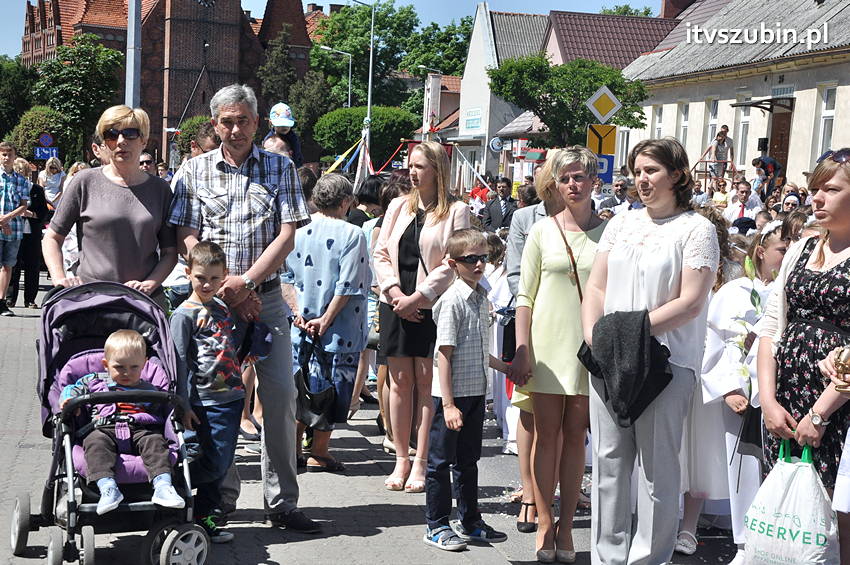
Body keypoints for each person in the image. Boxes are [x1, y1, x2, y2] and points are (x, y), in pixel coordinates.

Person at [168, 84, 317, 533]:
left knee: (279, 397)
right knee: (216, 400)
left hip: (265, 298)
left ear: (257, 123)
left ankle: (282, 502)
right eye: (226, 121)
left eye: (243, 121)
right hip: (212, 305)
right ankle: (221, 497)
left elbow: (287, 233)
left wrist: (246, 281)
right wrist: (217, 284)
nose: (235, 129)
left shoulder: (280, 167)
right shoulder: (193, 170)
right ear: (214, 124)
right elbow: (186, 235)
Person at [582, 137, 719, 564]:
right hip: (610, 357)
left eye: (651, 171)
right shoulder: (622, 223)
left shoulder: (696, 229)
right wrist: (595, 336)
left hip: (666, 362)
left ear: (676, 175)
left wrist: (631, 333)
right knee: (608, 465)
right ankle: (607, 557)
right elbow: (597, 286)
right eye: (637, 171)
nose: (641, 179)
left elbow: (691, 301)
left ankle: (648, 559)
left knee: (658, 471)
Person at [511, 146, 606, 563]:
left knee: (575, 438)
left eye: (580, 177)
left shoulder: (612, 232)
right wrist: (522, 350)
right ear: (555, 184)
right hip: (546, 346)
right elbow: (524, 295)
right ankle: (545, 519)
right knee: (545, 436)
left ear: (594, 181)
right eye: (565, 178)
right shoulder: (541, 231)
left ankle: (567, 525)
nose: (573, 184)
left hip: (589, 349)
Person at [758, 148, 850, 563]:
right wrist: (769, 401)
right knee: (784, 517)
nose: (816, 199)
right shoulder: (801, 248)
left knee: (834, 519)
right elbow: (771, 328)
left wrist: (821, 413)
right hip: (787, 402)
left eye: (831, 189)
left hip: (837, 408)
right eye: (815, 189)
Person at [683, 220, 785, 564]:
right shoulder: (735, 291)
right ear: (761, 252)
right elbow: (716, 342)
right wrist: (727, 386)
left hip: (781, 388)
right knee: (743, 465)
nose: (788, 257)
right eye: (782, 250)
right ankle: (744, 542)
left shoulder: (789, 291)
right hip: (741, 388)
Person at [373, 140, 471, 493]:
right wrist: (395, 293)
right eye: (410, 166)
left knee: (428, 384)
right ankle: (400, 457)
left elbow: (452, 261)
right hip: (396, 304)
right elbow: (381, 252)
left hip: (432, 307)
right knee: (399, 382)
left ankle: (422, 460)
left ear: (437, 171)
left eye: (419, 167)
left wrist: (419, 297)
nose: (412, 173)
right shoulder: (399, 206)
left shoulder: (456, 211)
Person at [423, 228, 510, 551]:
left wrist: (505, 367)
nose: (478, 265)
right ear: (453, 263)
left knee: (468, 461)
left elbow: (476, 348)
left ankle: (470, 520)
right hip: (452, 396)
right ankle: (436, 524)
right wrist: (447, 404)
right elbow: (444, 354)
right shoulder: (453, 300)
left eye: (483, 258)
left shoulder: (480, 296)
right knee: (440, 462)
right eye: (470, 259)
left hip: (474, 393)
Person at [42, 106, 178, 310]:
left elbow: (170, 252)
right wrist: (60, 278)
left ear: (144, 140)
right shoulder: (85, 181)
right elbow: (52, 237)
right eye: (111, 135)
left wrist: (151, 283)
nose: (121, 141)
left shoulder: (161, 189)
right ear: (104, 143)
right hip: (90, 301)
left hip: (141, 304)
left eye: (130, 133)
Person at [285, 173, 371, 472]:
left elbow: (285, 277)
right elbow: (348, 285)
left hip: (299, 326)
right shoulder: (352, 234)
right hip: (338, 330)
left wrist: (298, 312)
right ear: (346, 201)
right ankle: (319, 451)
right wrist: (325, 318)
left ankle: (294, 449)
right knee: (331, 389)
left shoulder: (296, 230)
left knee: (300, 385)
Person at [59, 330, 185, 515]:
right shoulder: (94, 382)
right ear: (106, 365)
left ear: (144, 365)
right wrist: (69, 400)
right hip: (103, 428)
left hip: (141, 429)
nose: (127, 372)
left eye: (134, 367)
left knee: (156, 443)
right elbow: (72, 388)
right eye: (119, 367)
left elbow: (163, 410)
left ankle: (163, 486)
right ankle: (108, 488)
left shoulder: (151, 388)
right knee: (95, 444)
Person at [169, 241, 243, 542]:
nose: (208, 284)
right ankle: (175, 496)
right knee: (211, 461)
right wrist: (183, 405)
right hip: (203, 401)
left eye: (214, 278)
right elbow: (180, 362)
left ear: (225, 275)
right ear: (188, 273)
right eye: (201, 277)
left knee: (222, 461)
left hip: (232, 398)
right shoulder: (183, 315)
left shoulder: (222, 308)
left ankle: (205, 518)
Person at [8, 157, 47, 309]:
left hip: (32, 232)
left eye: (25, 173)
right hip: (14, 231)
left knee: (33, 266)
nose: (23, 176)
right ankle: (10, 298)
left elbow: (43, 213)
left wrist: (30, 214)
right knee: (12, 265)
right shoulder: (11, 189)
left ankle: (30, 299)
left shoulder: (37, 190)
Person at [0, 142, 30, 317]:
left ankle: (2, 301)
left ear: (14, 156)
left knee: (7, 265)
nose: (6, 157)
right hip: (3, 224)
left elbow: (24, 205)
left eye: (9, 154)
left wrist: (7, 218)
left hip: (15, 228)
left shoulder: (21, 180)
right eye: (3, 154)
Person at [264, 102, 304, 167]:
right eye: (280, 124)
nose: (284, 127)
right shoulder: (268, 140)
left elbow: (298, 157)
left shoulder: (294, 139)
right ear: (271, 123)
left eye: (287, 124)